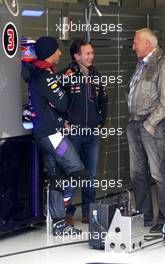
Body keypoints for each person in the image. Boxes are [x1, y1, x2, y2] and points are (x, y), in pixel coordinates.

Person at [22, 36, 89, 236]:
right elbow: (63, 103)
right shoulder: (45, 75)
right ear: (50, 53)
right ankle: (60, 210)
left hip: (48, 133)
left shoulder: (39, 72)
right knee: (77, 170)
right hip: (52, 136)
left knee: (55, 177)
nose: (60, 53)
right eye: (57, 50)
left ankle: (58, 222)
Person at [127, 28, 165, 233]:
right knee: (137, 174)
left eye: (136, 41)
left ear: (147, 43)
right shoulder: (142, 64)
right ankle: (144, 217)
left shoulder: (162, 64)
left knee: (158, 174)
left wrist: (150, 123)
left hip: (151, 126)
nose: (133, 45)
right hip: (134, 124)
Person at [60, 39, 108, 223]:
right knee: (70, 172)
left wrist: (100, 123)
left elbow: (104, 101)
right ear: (76, 56)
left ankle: (89, 212)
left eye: (92, 53)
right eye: (87, 53)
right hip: (72, 135)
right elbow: (55, 103)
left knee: (90, 174)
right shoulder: (65, 75)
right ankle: (67, 212)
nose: (91, 56)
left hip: (92, 134)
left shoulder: (97, 75)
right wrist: (63, 121)